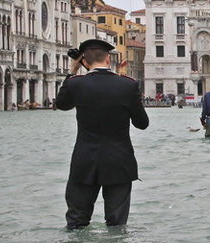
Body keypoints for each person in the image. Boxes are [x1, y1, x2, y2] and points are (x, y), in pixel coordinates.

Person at [55, 39, 149, 229]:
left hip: (85, 161)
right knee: (116, 225)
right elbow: (142, 124)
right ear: (108, 59)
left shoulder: (75, 84)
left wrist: (73, 70)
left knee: (76, 221)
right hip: (119, 161)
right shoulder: (127, 85)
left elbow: (62, 104)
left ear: (84, 61)